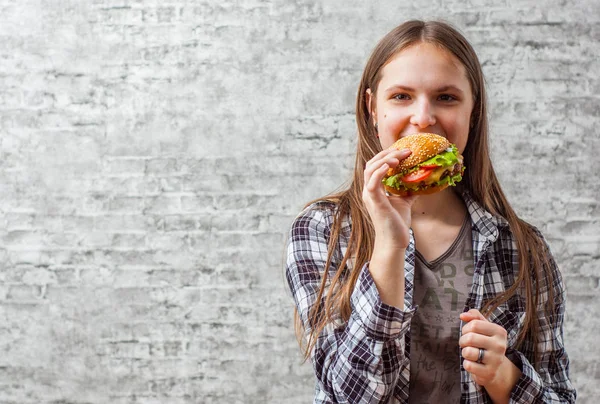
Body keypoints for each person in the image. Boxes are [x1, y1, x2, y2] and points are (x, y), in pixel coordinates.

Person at [285, 20, 576, 403]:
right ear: (373, 108)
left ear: (473, 111)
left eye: (447, 97)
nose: (423, 117)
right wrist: (389, 243)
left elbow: (562, 396)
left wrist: (505, 376)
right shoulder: (322, 231)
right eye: (402, 96)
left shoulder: (524, 250)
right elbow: (350, 396)